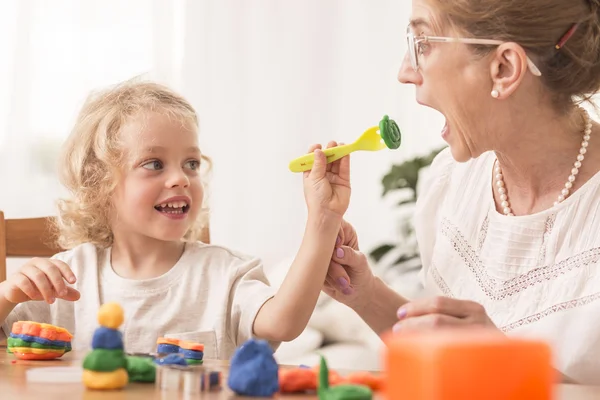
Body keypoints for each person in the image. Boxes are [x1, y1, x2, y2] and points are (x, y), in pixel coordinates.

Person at [321, 0, 600, 385]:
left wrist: (504, 361)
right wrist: (365, 294)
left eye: (422, 42)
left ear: (503, 69)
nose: (405, 72)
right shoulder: (449, 184)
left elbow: (489, 367)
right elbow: (448, 354)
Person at [0, 79, 351, 358]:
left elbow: (284, 323)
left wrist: (323, 218)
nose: (181, 178)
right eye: (154, 164)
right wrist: (8, 294)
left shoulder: (226, 274)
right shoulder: (64, 280)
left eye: (191, 164)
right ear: (100, 184)